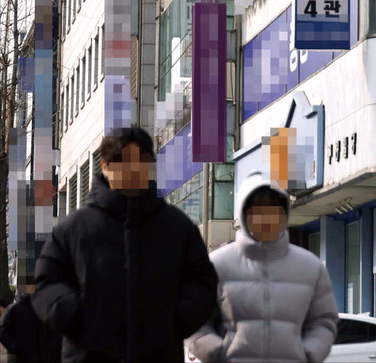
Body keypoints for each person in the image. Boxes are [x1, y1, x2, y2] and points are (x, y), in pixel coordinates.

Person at [32, 127, 218, 363]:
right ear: (105, 166)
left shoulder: (178, 228)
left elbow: (202, 282)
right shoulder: (74, 229)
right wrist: (77, 316)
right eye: (123, 161)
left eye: (142, 161)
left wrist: (176, 321)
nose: (133, 169)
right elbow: (46, 283)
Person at [188, 170, 338, 363]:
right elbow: (195, 321)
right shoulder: (216, 265)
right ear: (244, 215)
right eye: (257, 211)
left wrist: (307, 354)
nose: (266, 218)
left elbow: (323, 321)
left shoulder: (310, 267)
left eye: (274, 211)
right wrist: (219, 352)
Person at [0, 277, 61, 363]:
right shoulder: (15, 309)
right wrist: (16, 347)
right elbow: (3, 331)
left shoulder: (41, 309)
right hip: (21, 358)